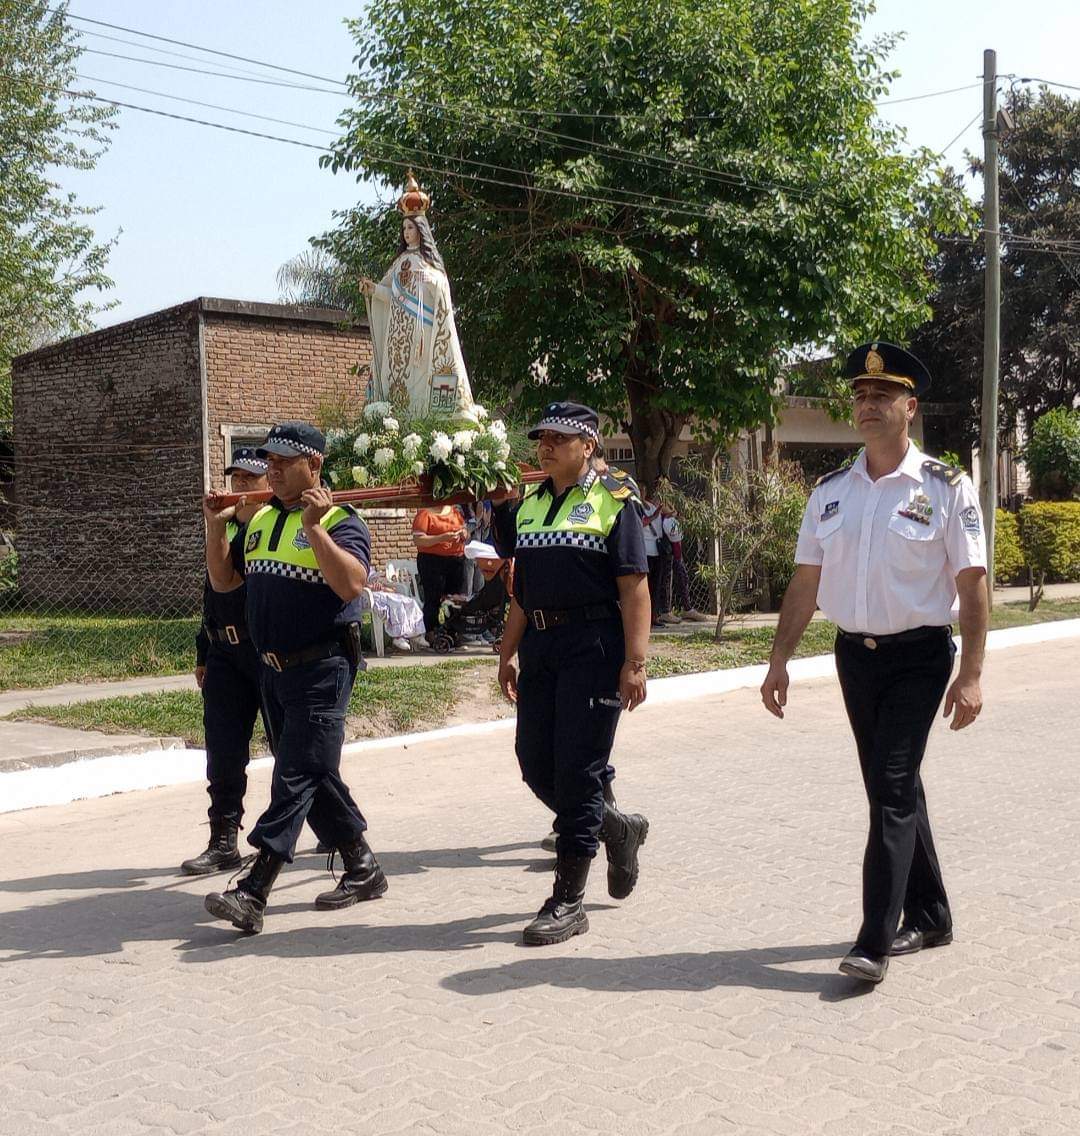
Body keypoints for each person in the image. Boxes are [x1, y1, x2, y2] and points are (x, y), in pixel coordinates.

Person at [760, 343, 988, 985]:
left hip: (919, 656)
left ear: (909, 408)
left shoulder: (945, 487)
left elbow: (973, 584)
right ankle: (933, 912)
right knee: (896, 785)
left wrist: (971, 674)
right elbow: (806, 582)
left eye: (881, 395)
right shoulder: (832, 491)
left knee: (889, 787)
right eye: (861, 395)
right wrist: (779, 660)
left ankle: (873, 939)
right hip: (853, 659)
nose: (867, 404)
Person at [202, 421, 387, 935]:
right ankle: (362, 865)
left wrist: (314, 529)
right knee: (314, 773)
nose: (273, 469)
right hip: (273, 671)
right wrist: (217, 526)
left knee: (296, 776)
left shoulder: (343, 520)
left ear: (315, 466)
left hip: (323, 668)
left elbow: (351, 586)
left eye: (285, 461)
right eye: (270, 460)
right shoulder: (258, 521)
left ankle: (253, 890)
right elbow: (223, 581)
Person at [493, 401, 652, 946]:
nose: (546, 446)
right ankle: (617, 828)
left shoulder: (614, 502)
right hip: (541, 645)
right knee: (535, 762)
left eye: (559, 438)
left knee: (580, 772)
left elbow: (634, 586)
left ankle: (568, 898)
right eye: (542, 438)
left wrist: (635, 662)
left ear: (588, 446)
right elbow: (522, 591)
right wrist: (507, 651)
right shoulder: (530, 505)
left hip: (594, 646)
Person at [181, 449, 270, 875]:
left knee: (292, 748)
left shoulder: (270, 530)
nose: (240, 490)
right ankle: (223, 839)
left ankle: (329, 826)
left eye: (250, 481)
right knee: (223, 749)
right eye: (235, 480)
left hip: (265, 651)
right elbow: (211, 596)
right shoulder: (226, 529)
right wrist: (204, 651)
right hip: (224, 654)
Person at [358, 170, 475, 418]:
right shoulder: (400, 262)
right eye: (404, 228)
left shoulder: (428, 263)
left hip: (422, 334)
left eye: (410, 227)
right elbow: (392, 296)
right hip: (396, 337)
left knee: (421, 381)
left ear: (421, 229)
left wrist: (427, 279)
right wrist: (374, 290)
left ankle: (432, 418)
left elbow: (441, 286)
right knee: (397, 380)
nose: (406, 232)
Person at [412, 505, 468, 641]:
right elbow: (418, 540)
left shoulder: (455, 512)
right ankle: (431, 633)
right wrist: (442, 538)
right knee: (433, 597)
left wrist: (463, 535)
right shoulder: (425, 514)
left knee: (455, 597)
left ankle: (454, 632)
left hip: (456, 559)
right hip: (432, 561)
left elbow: (466, 531)